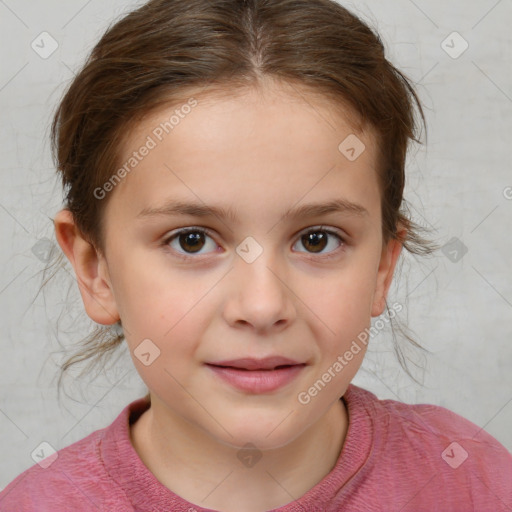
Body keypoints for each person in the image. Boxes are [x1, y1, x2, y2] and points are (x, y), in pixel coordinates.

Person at [1, 0, 511, 510]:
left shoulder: (472, 477)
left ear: (382, 266)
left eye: (317, 239)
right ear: (96, 271)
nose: (263, 306)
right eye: (192, 240)